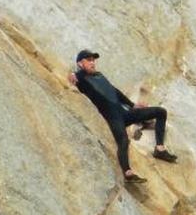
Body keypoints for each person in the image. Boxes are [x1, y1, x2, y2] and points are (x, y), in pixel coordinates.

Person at [70, 49, 177, 183]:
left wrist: (132, 105)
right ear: (80, 63)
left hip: (126, 113)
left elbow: (115, 91)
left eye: (93, 60)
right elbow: (73, 78)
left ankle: (160, 149)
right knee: (123, 141)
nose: (93, 63)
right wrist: (73, 75)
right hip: (113, 117)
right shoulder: (81, 78)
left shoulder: (99, 75)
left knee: (161, 112)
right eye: (89, 60)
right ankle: (128, 173)